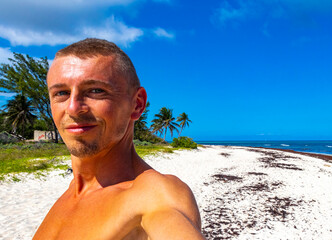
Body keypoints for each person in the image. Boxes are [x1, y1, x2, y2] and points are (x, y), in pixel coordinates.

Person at [33, 38, 204, 240]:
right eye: (61, 93)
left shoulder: (154, 197)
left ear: (137, 105)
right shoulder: (71, 193)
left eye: (96, 91)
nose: (73, 108)